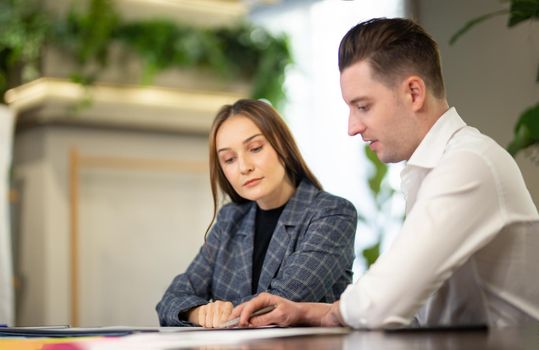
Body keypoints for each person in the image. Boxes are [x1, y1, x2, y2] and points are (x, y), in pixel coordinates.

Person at [229, 17, 539, 329]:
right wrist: (303, 310)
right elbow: (414, 309)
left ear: (414, 93)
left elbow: (381, 303)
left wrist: (321, 312)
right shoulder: (431, 168)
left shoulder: (469, 164)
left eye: (362, 106)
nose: (352, 127)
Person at [156, 99, 357, 327]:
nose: (244, 167)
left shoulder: (332, 214)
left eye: (255, 148)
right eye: (229, 159)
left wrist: (220, 315)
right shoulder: (230, 219)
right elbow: (170, 300)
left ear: (281, 145)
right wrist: (198, 312)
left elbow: (276, 305)